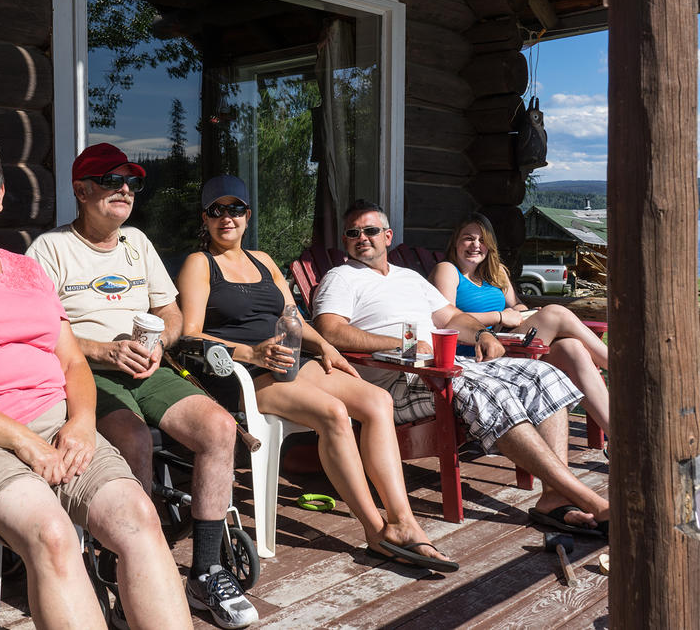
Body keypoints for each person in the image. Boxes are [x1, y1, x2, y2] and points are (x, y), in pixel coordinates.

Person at [0, 131, 191, 630]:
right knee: (51, 531)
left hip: (53, 426)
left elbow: (71, 363)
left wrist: (84, 422)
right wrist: (23, 441)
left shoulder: (29, 271)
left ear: (0, 197)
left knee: (137, 516)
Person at [27, 144, 259, 629]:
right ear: (81, 189)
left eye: (131, 182)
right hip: (87, 373)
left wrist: (161, 342)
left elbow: (170, 312)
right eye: (112, 181)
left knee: (219, 428)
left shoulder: (136, 242)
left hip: (149, 367)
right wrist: (101, 350)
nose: (125, 190)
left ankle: (207, 570)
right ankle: (126, 569)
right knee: (131, 440)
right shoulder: (50, 249)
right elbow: (39, 328)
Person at [177, 175, 457, 572]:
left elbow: (292, 317)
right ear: (205, 218)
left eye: (235, 209)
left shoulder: (263, 261)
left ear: (247, 214)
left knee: (378, 401)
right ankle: (376, 532)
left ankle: (405, 521)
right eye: (216, 210)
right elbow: (190, 335)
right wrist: (251, 351)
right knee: (333, 414)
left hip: (291, 361)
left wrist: (325, 346)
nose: (227, 218)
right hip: (243, 373)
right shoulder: (200, 264)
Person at [312, 199, 610, 537]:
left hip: (447, 366)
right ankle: (592, 501)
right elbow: (330, 330)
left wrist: (482, 334)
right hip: (400, 383)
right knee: (491, 391)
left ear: (388, 236)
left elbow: (451, 317)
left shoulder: (409, 278)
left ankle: (553, 499)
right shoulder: (341, 278)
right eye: (353, 232)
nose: (362, 237)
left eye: (370, 230)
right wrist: (398, 344)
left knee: (546, 375)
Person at [427, 213, 609, 433]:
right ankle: (619, 368)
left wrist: (529, 313)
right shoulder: (447, 270)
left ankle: (618, 437)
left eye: (482, 240)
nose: (476, 245)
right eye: (468, 238)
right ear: (455, 242)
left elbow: (517, 306)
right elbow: (447, 319)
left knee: (572, 349)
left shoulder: (497, 273)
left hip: (507, 344)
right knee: (556, 313)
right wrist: (500, 316)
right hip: (474, 355)